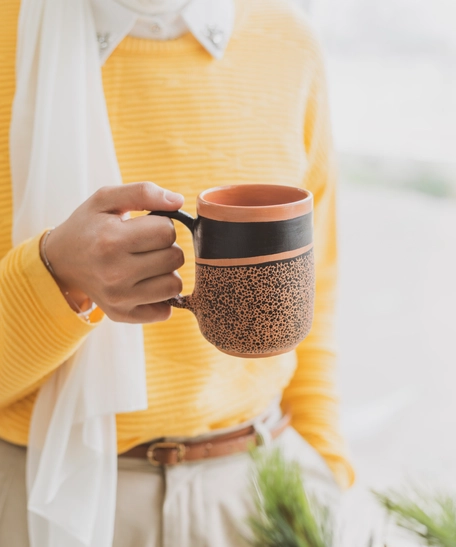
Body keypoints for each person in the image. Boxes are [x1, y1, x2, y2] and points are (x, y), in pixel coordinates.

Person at [0, 0, 354, 545]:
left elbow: (318, 286)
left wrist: (325, 468)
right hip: (43, 495)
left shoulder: (290, 43)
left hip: (263, 484)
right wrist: (53, 275)